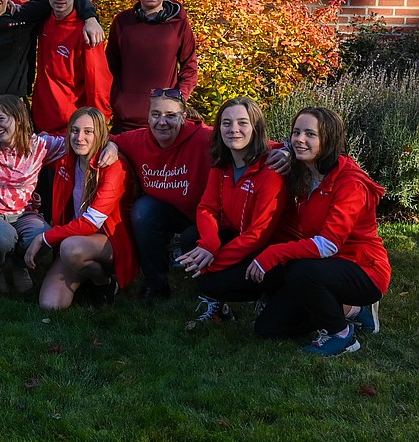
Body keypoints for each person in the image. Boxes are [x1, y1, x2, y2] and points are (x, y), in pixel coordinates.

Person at [244, 107, 391, 356]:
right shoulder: (304, 170)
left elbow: (328, 244)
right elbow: (267, 146)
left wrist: (273, 253)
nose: (300, 139)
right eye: (296, 132)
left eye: (310, 134)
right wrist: (284, 151)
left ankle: (342, 335)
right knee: (268, 328)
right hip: (323, 267)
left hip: (363, 269)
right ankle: (354, 311)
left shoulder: (350, 183)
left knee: (299, 269)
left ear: (329, 139)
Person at [175, 97, 287, 328]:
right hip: (238, 236)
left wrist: (209, 263)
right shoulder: (222, 164)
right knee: (190, 239)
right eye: (226, 123)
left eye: (242, 123)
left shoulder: (271, 168)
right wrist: (209, 245)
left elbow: (259, 235)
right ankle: (221, 307)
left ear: (255, 128)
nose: (233, 129)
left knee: (208, 282)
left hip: (270, 249)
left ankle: (271, 294)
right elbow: (207, 207)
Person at [25, 107, 136, 310]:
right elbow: (31, 142)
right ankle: (87, 275)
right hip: (75, 240)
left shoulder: (114, 167)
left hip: (109, 243)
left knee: (70, 248)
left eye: (88, 131)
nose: (79, 137)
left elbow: (91, 223)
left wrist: (45, 237)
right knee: (51, 304)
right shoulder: (67, 160)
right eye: (75, 130)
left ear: (100, 134)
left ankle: (104, 282)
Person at [113, 89, 213, 299]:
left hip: (206, 215)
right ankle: (156, 284)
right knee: (143, 211)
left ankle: (212, 290)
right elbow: (103, 138)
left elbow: (248, 143)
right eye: (156, 114)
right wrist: (111, 146)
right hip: (167, 212)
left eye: (170, 115)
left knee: (190, 238)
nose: (162, 122)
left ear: (183, 118)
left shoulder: (204, 139)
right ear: (148, 117)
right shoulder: (137, 140)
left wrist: (284, 150)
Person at [0, 95, 67, 295]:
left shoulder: (40, 145)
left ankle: (19, 264)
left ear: (18, 118)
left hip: (25, 213)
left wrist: (111, 144)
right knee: (2, 237)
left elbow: (78, 142)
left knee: (44, 236)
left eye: (1, 119)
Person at [107, 0, 199, 130]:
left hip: (164, 120)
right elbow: (110, 67)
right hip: (125, 119)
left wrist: (177, 100)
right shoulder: (122, 22)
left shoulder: (179, 24)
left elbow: (190, 67)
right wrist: (116, 100)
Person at [31, 0, 113, 135]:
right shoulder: (43, 20)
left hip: (71, 128)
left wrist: (99, 125)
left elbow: (98, 84)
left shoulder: (87, 31)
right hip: (39, 124)